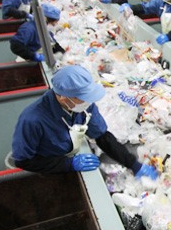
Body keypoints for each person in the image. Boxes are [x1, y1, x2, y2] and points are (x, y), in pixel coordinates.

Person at [11, 65, 158, 179]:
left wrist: (133, 164)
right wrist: (68, 164)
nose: (88, 101)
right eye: (83, 97)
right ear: (63, 97)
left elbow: (102, 137)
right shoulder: (32, 120)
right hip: (47, 171)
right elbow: (23, 161)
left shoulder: (83, 105)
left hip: (68, 155)